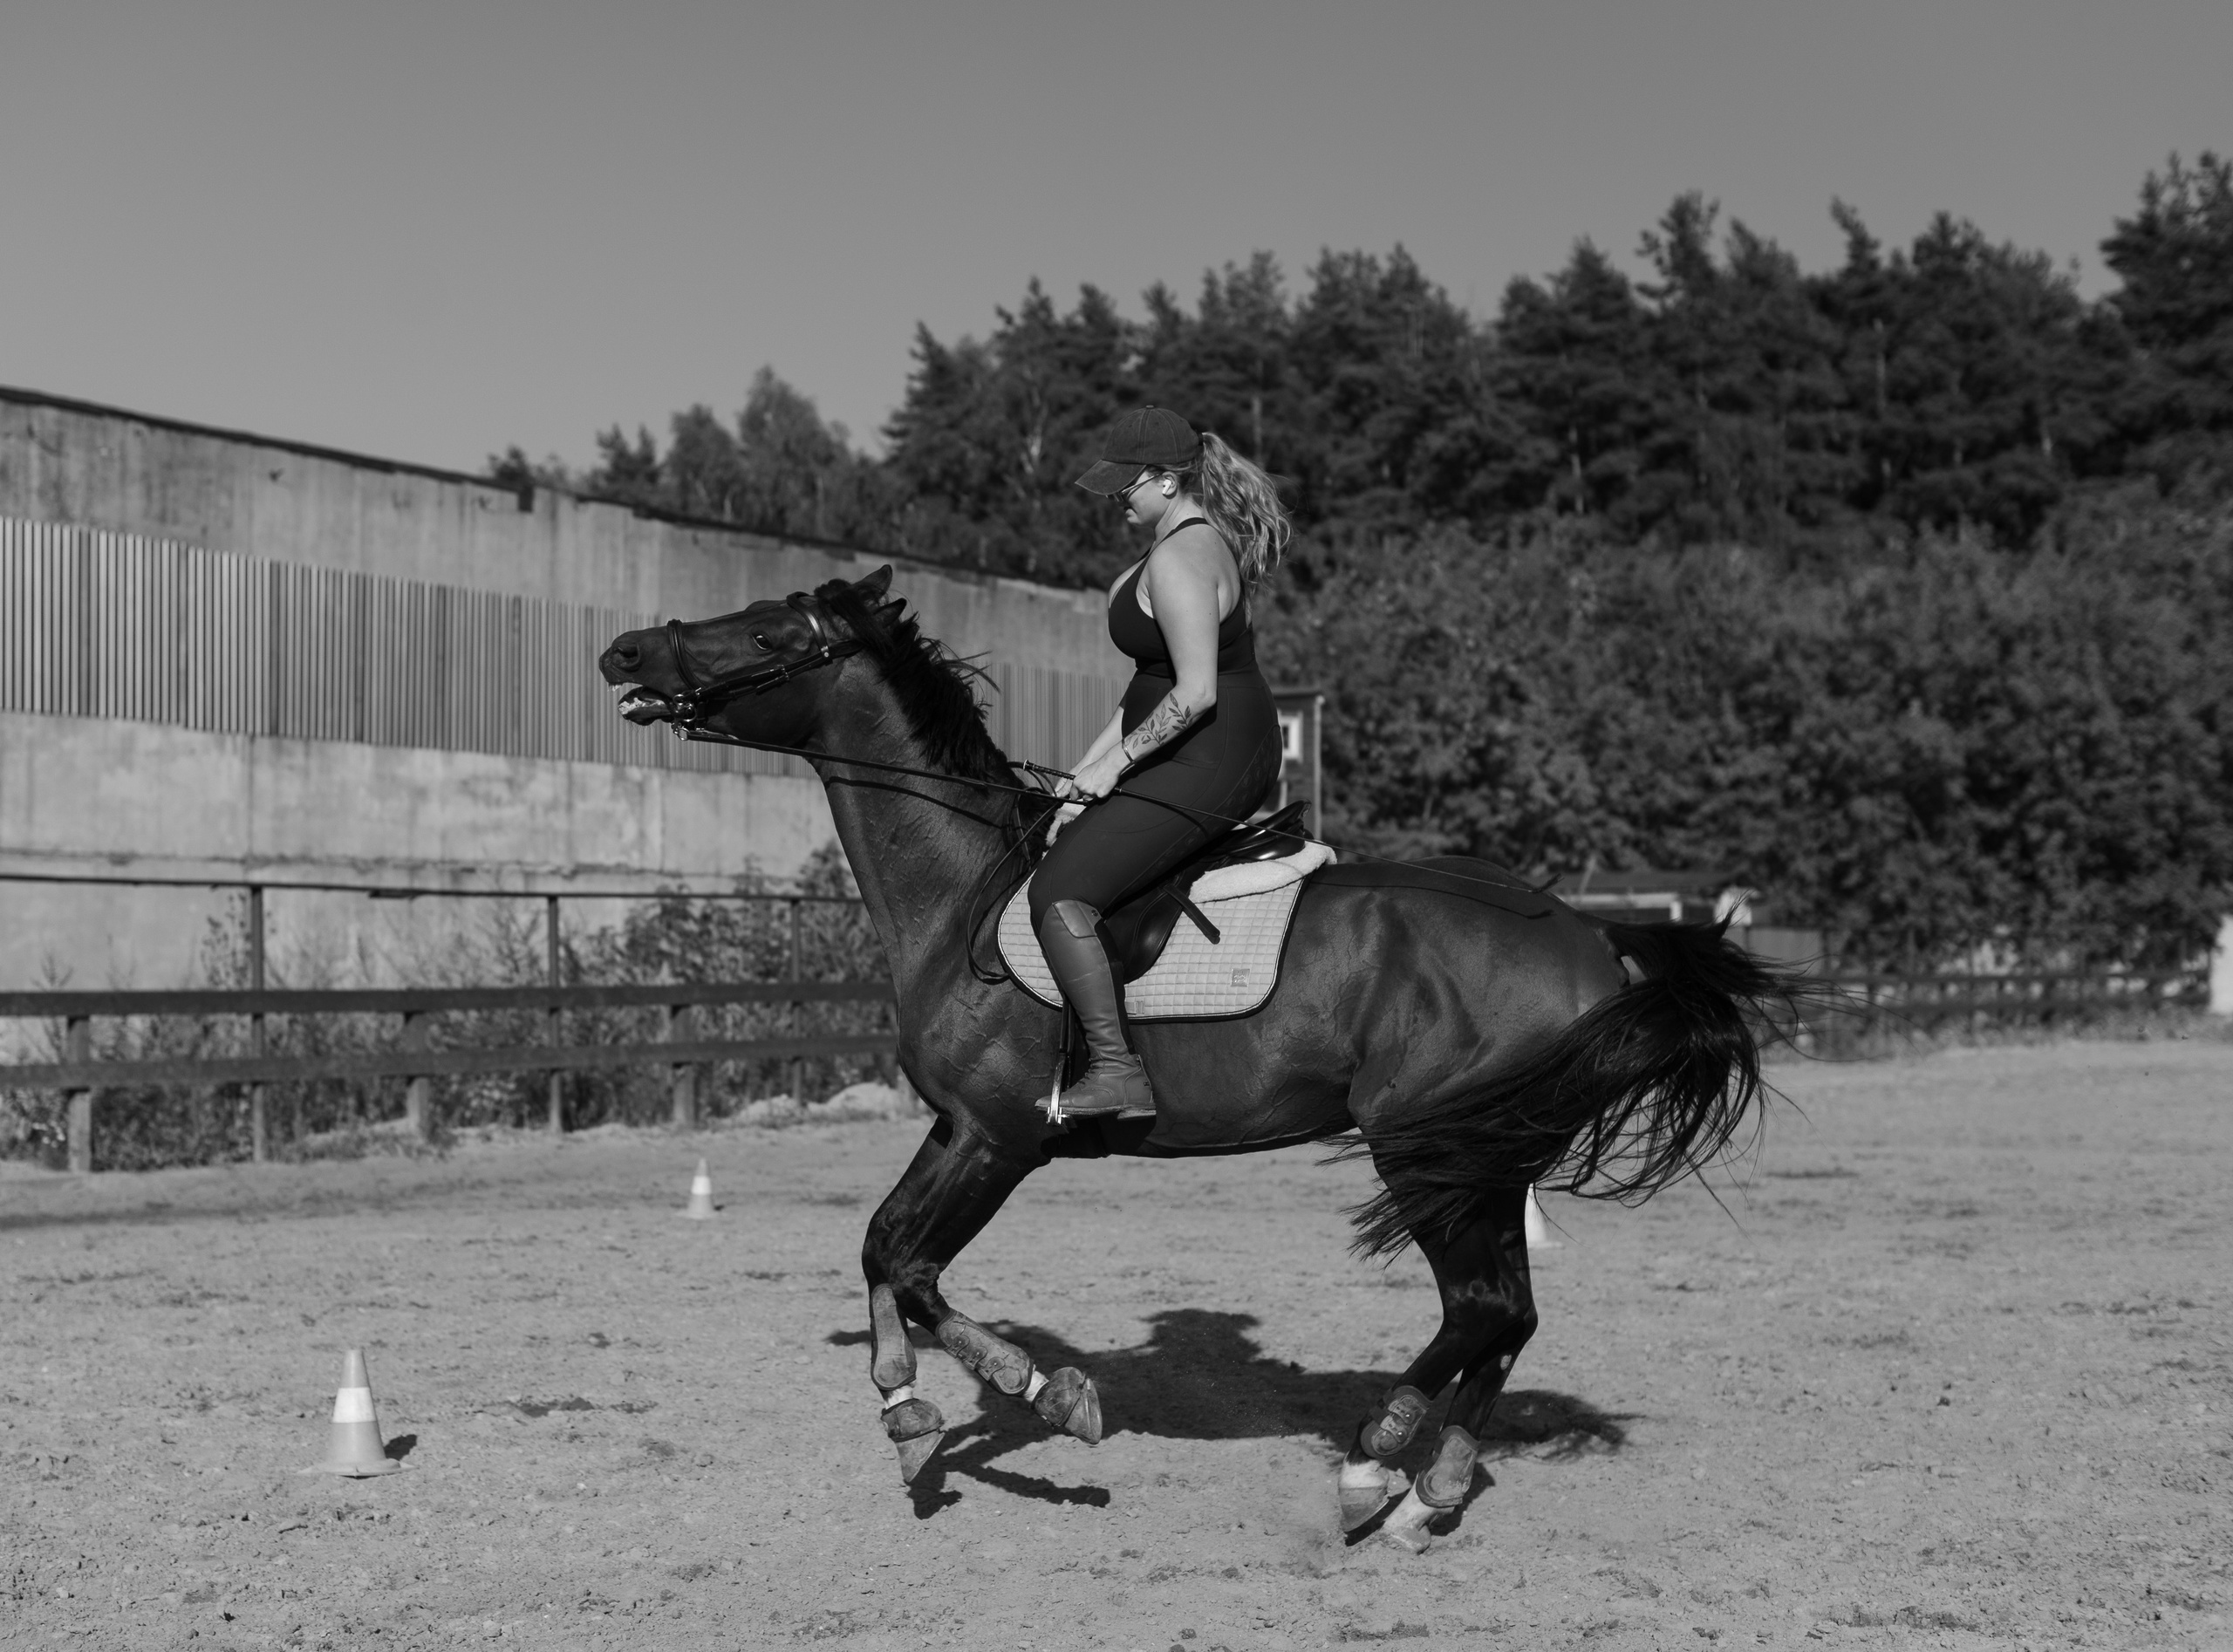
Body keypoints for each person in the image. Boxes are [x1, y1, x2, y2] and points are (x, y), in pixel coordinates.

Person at [1028, 406, 1290, 1118]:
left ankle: (1117, 1072)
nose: (1116, 497)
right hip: (1179, 737)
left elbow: (1196, 693)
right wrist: (1079, 779)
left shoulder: (1181, 558)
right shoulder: (1159, 553)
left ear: (1169, 481)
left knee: (1058, 895)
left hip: (1219, 748)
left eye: (1126, 484)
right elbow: (1143, 691)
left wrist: (1117, 769)